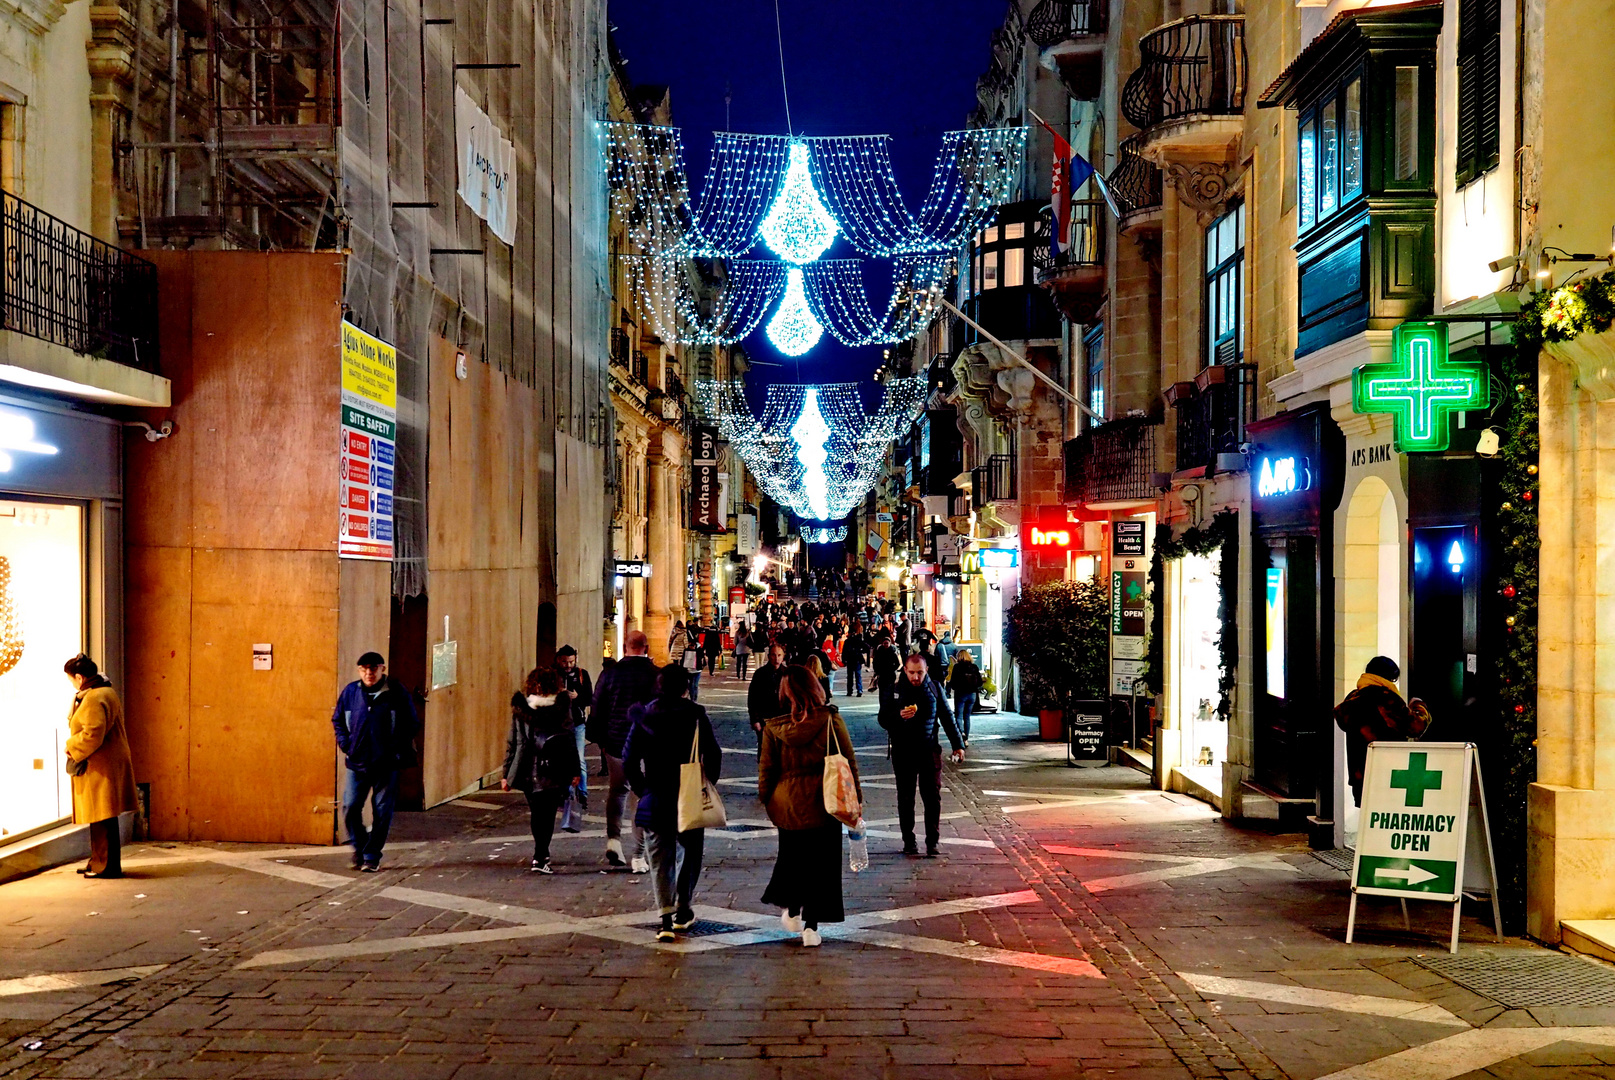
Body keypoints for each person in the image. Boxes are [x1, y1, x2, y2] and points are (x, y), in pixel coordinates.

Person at [758, 666, 862, 948]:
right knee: (822, 864)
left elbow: (767, 769)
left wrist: (767, 800)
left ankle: (792, 908)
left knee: (792, 858)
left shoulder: (774, 727)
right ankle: (811, 927)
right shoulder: (830, 720)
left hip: (787, 803)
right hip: (824, 802)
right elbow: (848, 762)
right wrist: (856, 801)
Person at [621, 664, 722, 941]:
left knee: (659, 857)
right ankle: (683, 909)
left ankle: (665, 919)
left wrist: (643, 790)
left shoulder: (645, 716)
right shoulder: (695, 715)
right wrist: (707, 783)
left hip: (656, 794)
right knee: (691, 852)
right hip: (688, 794)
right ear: (685, 688)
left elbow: (628, 759)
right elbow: (713, 752)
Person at [331, 651, 419, 872]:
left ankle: (371, 856)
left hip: (386, 764)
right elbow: (338, 720)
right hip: (357, 762)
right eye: (364, 669)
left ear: (382, 669)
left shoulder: (396, 692)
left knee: (381, 811)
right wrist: (346, 744)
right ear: (359, 670)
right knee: (350, 807)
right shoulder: (351, 692)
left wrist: (395, 749)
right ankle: (359, 848)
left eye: (373, 668)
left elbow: (411, 723)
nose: (369, 673)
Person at [589, 630, 659, 872]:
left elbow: (597, 707)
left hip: (616, 743)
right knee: (642, 798)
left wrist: (599, 739)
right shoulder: (655, 675)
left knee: (617, 791)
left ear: (625, 647)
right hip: (648, 746)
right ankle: (638, 855)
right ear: (646, 648)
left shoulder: (610, 673)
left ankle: (614, 841)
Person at [63, 654, 138, 879]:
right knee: (102, 816)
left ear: (79, 677)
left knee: (102, 816)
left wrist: (71, 746)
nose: (71, 683)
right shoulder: (105, 691)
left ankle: (106, 867)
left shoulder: (95, 697)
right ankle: (98, 861)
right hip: (107, 762)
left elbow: (92, 733)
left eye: (70, 679)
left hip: (100, 764)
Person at [500, 667, 581, 873]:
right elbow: (570, 741)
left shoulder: (522, 709)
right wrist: (575, 770)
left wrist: (506, 773)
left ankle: (540, 854)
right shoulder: (562, 707)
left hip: (528, 768)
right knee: (548, 813)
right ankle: (541, 855)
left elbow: (514, 742)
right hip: (555, 768)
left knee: (537, 812)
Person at [884, 655, 965, 857]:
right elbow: (882, 718)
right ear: (905, 670)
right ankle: (908, 841)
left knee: (932, 798)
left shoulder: (934, 688)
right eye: (912, 672)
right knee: (905, 798)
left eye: (920, 672)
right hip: (903, 751)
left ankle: (932, 842)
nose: (916, 677)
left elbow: (947, 717)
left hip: (929, 749)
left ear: (926, 670)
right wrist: (897, 716)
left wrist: (958, 745)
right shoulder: (894, 689)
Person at [1333, 656, 1432, 807]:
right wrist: (1419, 706)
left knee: (1369, 820)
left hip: (1360, 777)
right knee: (1387, 820)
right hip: (1388, 776)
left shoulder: (1353, 698)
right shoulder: (1385, 699)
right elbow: (1415, 727)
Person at [555, 645, 593, 833]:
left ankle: (582, 794)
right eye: (564, 662)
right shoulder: (552, 675)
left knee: (579, 759)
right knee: (561, 761)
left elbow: (589, 698)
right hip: (559, 724)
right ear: (558, 660)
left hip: (577, 723)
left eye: (571, 661)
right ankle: (567, 794)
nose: (568, 665)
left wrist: (577, 697)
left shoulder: (582, 675)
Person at [748, 643, 789, 744]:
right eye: (773, 655)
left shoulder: (787, 673)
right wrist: (755, 720)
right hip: (765, 719)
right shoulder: (760, 674)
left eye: (779, 655)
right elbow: (753, 698)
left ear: (783, 656)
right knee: (765, 751)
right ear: (769, 656)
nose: (776, 658)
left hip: (783, 720)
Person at [947, 649, 983, 746]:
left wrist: (952, 688)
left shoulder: (957, 667)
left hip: (960, 694)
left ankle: (961, 733)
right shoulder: (974, 667)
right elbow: (979, 682)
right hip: (972, 694)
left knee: (958, 716)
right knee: (967, 716)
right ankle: (966, 739)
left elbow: (953, 682)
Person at [841, 626, 867, 697]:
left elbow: (844, 651)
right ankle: (859, 690)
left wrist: (844, 659)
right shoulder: (858, 640)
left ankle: (850, 691)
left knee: (850, 676)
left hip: (850, 659)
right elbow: (866, 647)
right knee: (857, 675)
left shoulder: (848, 641)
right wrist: (860, 651)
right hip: (857, 658)